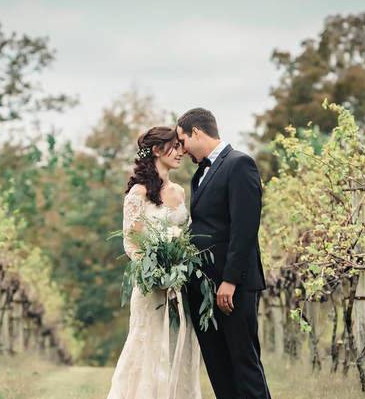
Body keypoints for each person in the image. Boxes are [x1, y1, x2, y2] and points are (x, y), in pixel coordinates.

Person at [176, 107, 271, 399]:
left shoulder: (240, 164)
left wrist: (230, 280)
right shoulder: (200, 174)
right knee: (218, 367)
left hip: (234, 286)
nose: (181, 149)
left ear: (197, 132)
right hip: (204, 288)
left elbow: (244, 228)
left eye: (182, 141)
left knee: (244, 363)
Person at [106, 126, 202, 399]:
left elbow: (186, 239)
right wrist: (157, 274)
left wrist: (180, 272)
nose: (181, 152)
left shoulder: (181, 192)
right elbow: (131, 244)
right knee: (147, 352)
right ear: (157, 150)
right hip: (150, 289)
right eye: (174, 146)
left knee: (177, 349)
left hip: (180, 289)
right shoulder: (137, 194)